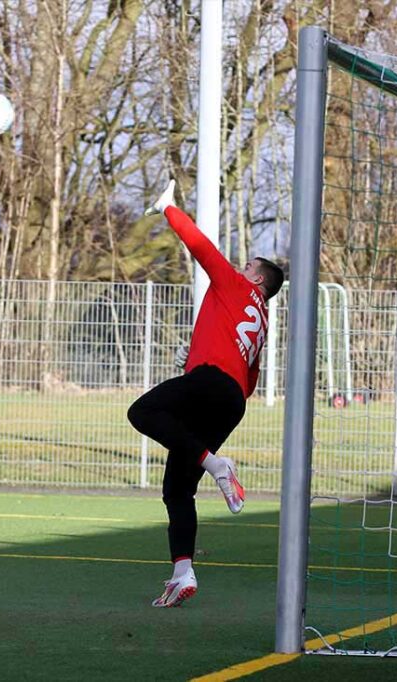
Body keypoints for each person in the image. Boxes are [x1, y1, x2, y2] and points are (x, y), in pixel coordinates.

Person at [127, 179, 285, 608]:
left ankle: (216, 465)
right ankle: (182, 573)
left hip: (212, 386)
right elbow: (247, 380)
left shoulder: (237, 286)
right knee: (177, 491)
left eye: (246, 265)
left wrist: (169, 209)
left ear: (256, 277)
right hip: (230, 400)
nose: (239, 267)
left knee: (142, 411)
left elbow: (200, 247)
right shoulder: (262, 318)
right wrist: (196, 364)